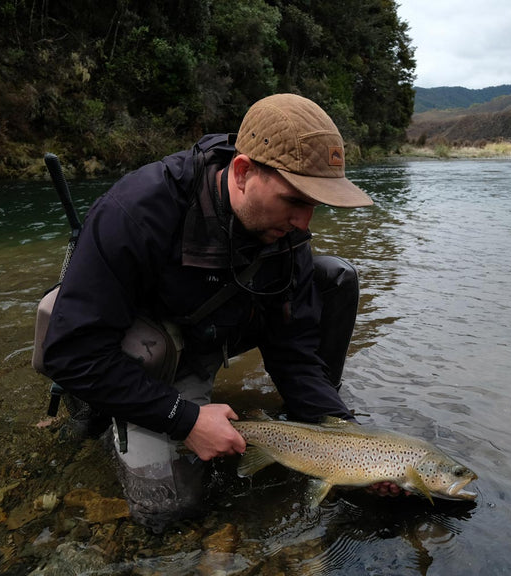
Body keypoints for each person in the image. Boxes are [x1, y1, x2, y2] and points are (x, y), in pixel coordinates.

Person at [40, 93, 374, 529]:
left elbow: (294, 352)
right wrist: (185, 419)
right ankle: (110, 419)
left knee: (334, 278)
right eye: (295, 200)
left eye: (316, 204)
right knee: (170, 511)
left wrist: (349, 441)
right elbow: (69, 353)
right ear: (241, 173)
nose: (305, 221)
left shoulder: (287, 234)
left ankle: (312, 429)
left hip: (218, 328)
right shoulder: (135, 212)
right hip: (147, 356)